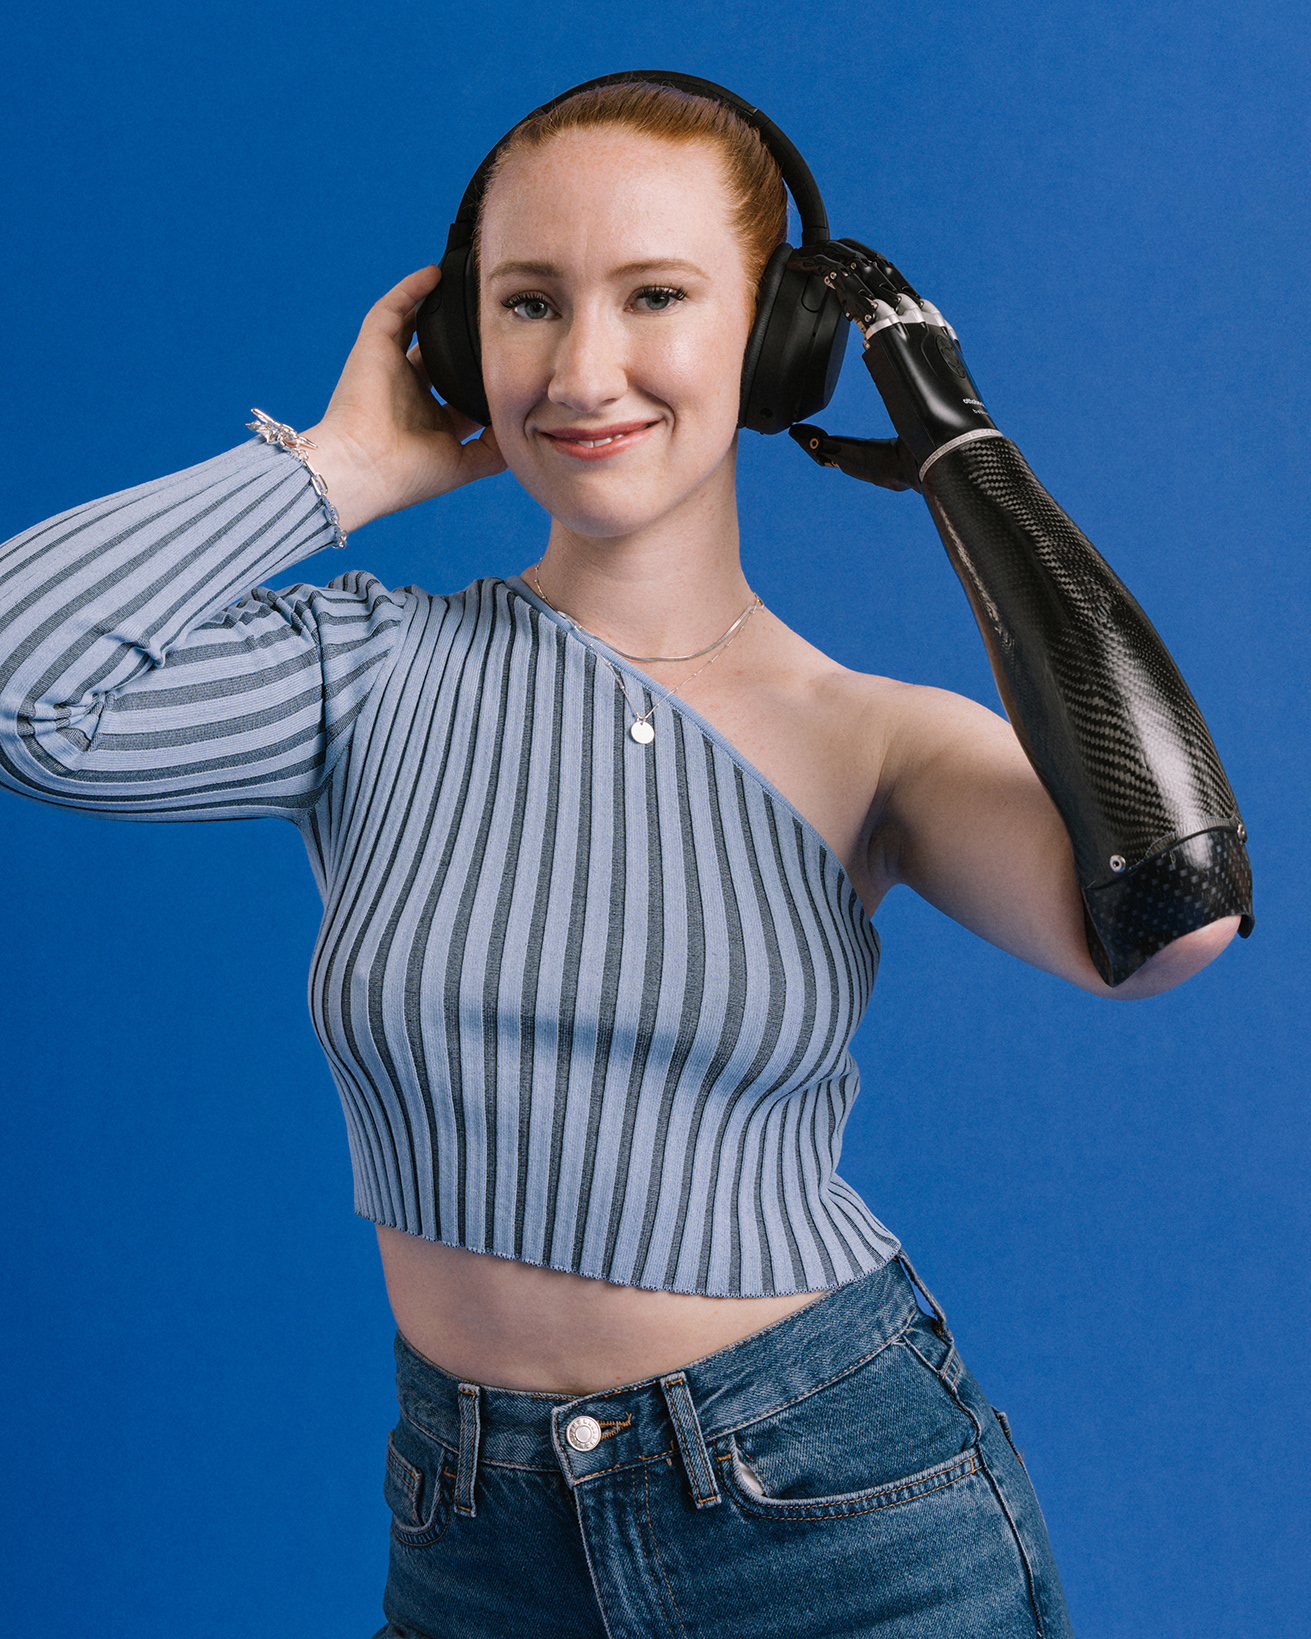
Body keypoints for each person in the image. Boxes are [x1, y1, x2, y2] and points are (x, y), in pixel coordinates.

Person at [0, 74, 1250, 1638]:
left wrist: (963, 455)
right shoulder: (366, 675)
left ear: (775, 344)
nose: (582, 368)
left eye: (656, 295)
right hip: (473, 1534)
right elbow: (18, 691)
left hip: (839, 1518)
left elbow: (1179, 909)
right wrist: (338, 471)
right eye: (527, 305)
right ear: (460, 343)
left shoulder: (878, 744)